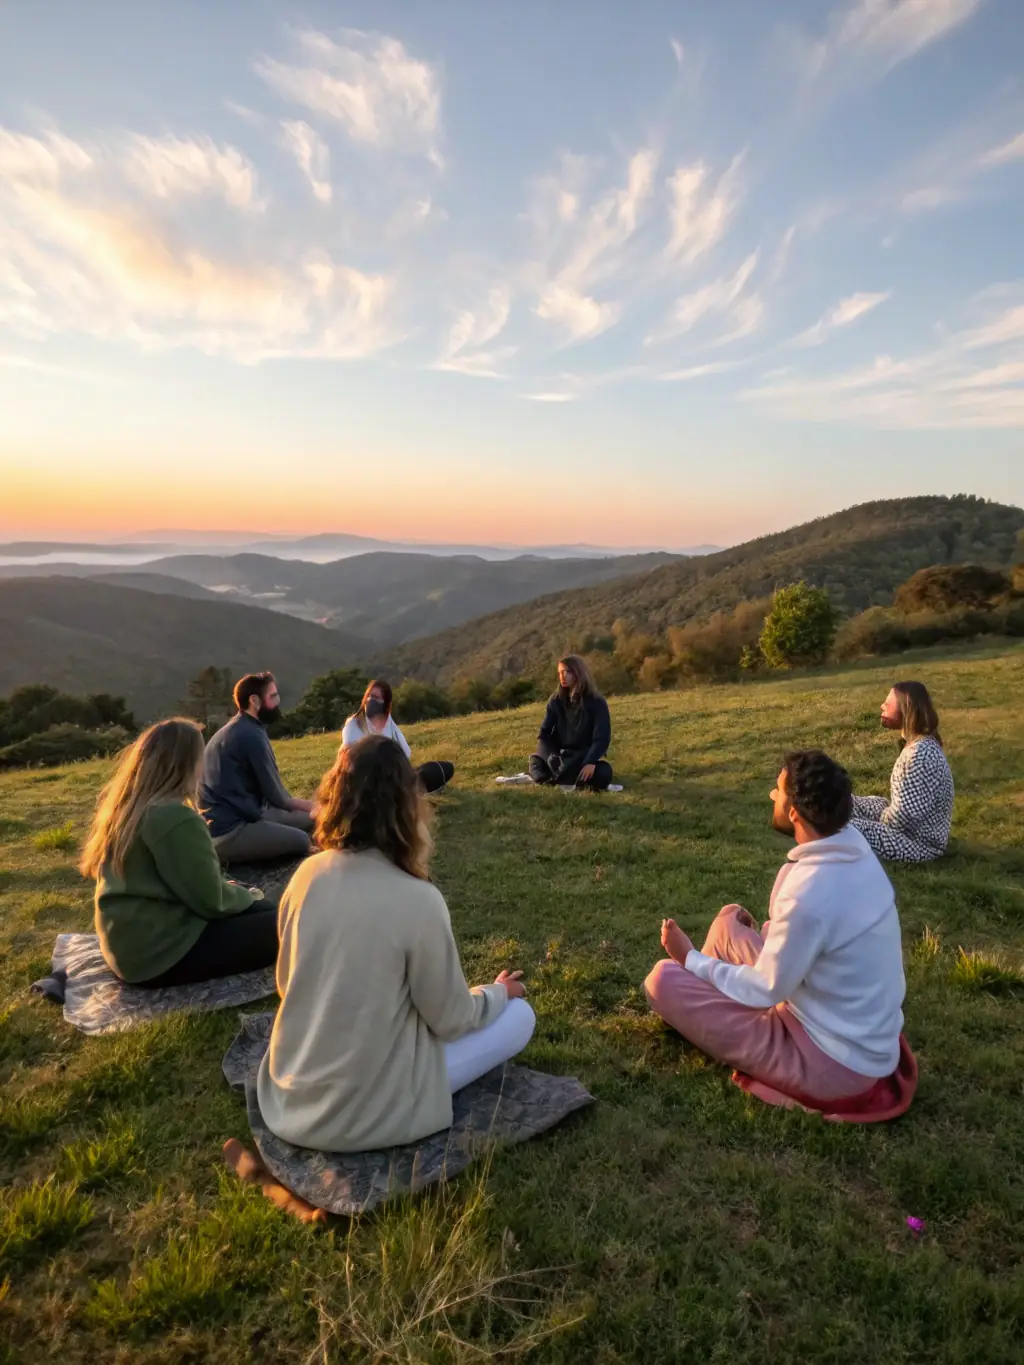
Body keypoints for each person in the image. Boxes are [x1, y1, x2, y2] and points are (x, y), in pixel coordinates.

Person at [257, 735, 536, 1152]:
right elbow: (452, 1019)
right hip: (368, 1110)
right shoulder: (418, 899)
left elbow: (286, 984)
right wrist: (498, 992)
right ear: (408, 806)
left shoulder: (305, 875)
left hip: (291, 1090)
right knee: (521, 1016)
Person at [643, 750, 916, 1118]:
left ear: (794, 812)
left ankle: (704, 1002)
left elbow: (767, 988)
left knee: (662, 980)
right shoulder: (853, 847)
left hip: (834, 1061)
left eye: (778, 790)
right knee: (727, 922)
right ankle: (712, 996)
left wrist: (689, 957)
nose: (772, 795)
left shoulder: (810, 891)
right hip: (847, 1025)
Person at [80, 718, 278, 987]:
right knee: (286, 923)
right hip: (160, 954)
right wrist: (248, 894)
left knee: (264, 909)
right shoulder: (174, 817)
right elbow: (211, 901)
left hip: (128, 945)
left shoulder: (127, 809)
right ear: (186, 764)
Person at [200, 672, 315, 863]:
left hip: (250, 812)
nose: (277, 702)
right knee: (302, 840)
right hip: (229, 830)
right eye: (273, 696)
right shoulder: (249, 735)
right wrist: (318, 807)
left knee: (311, 819)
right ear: (254, 700)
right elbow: (279, 798)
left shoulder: (243, 727)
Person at [851, 681, 954, 863]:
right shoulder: (921, 745)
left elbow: (904, 819)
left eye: (888, 704)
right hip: (909, 831)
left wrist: (874, 823)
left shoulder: (919, 755)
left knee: (843, 828)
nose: (882, 706)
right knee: (848, 802)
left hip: (919, 845)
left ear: (906, 709)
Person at [340, 679, 455, 794]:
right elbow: (352, 764)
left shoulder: (389, 725)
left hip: (392, 779)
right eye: (369, 696)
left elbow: (403, 757)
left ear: (384, 704)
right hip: (363, 784)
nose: (370, 700)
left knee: (442, 769)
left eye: (376, 698)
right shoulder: (354, 725)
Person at [529, 655, 613, 790]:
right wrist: (553, 756)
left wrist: (590, 762)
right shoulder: (556, 700)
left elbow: (601, 738)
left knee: (603, 773)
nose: (563, 676)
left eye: (567, 671)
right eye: (560, 673)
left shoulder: (596, 701)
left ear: (578, 672)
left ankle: (560, 777)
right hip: (559, 756)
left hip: (582, 756)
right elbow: (544, 734)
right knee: (536, 761)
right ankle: (558, 776)